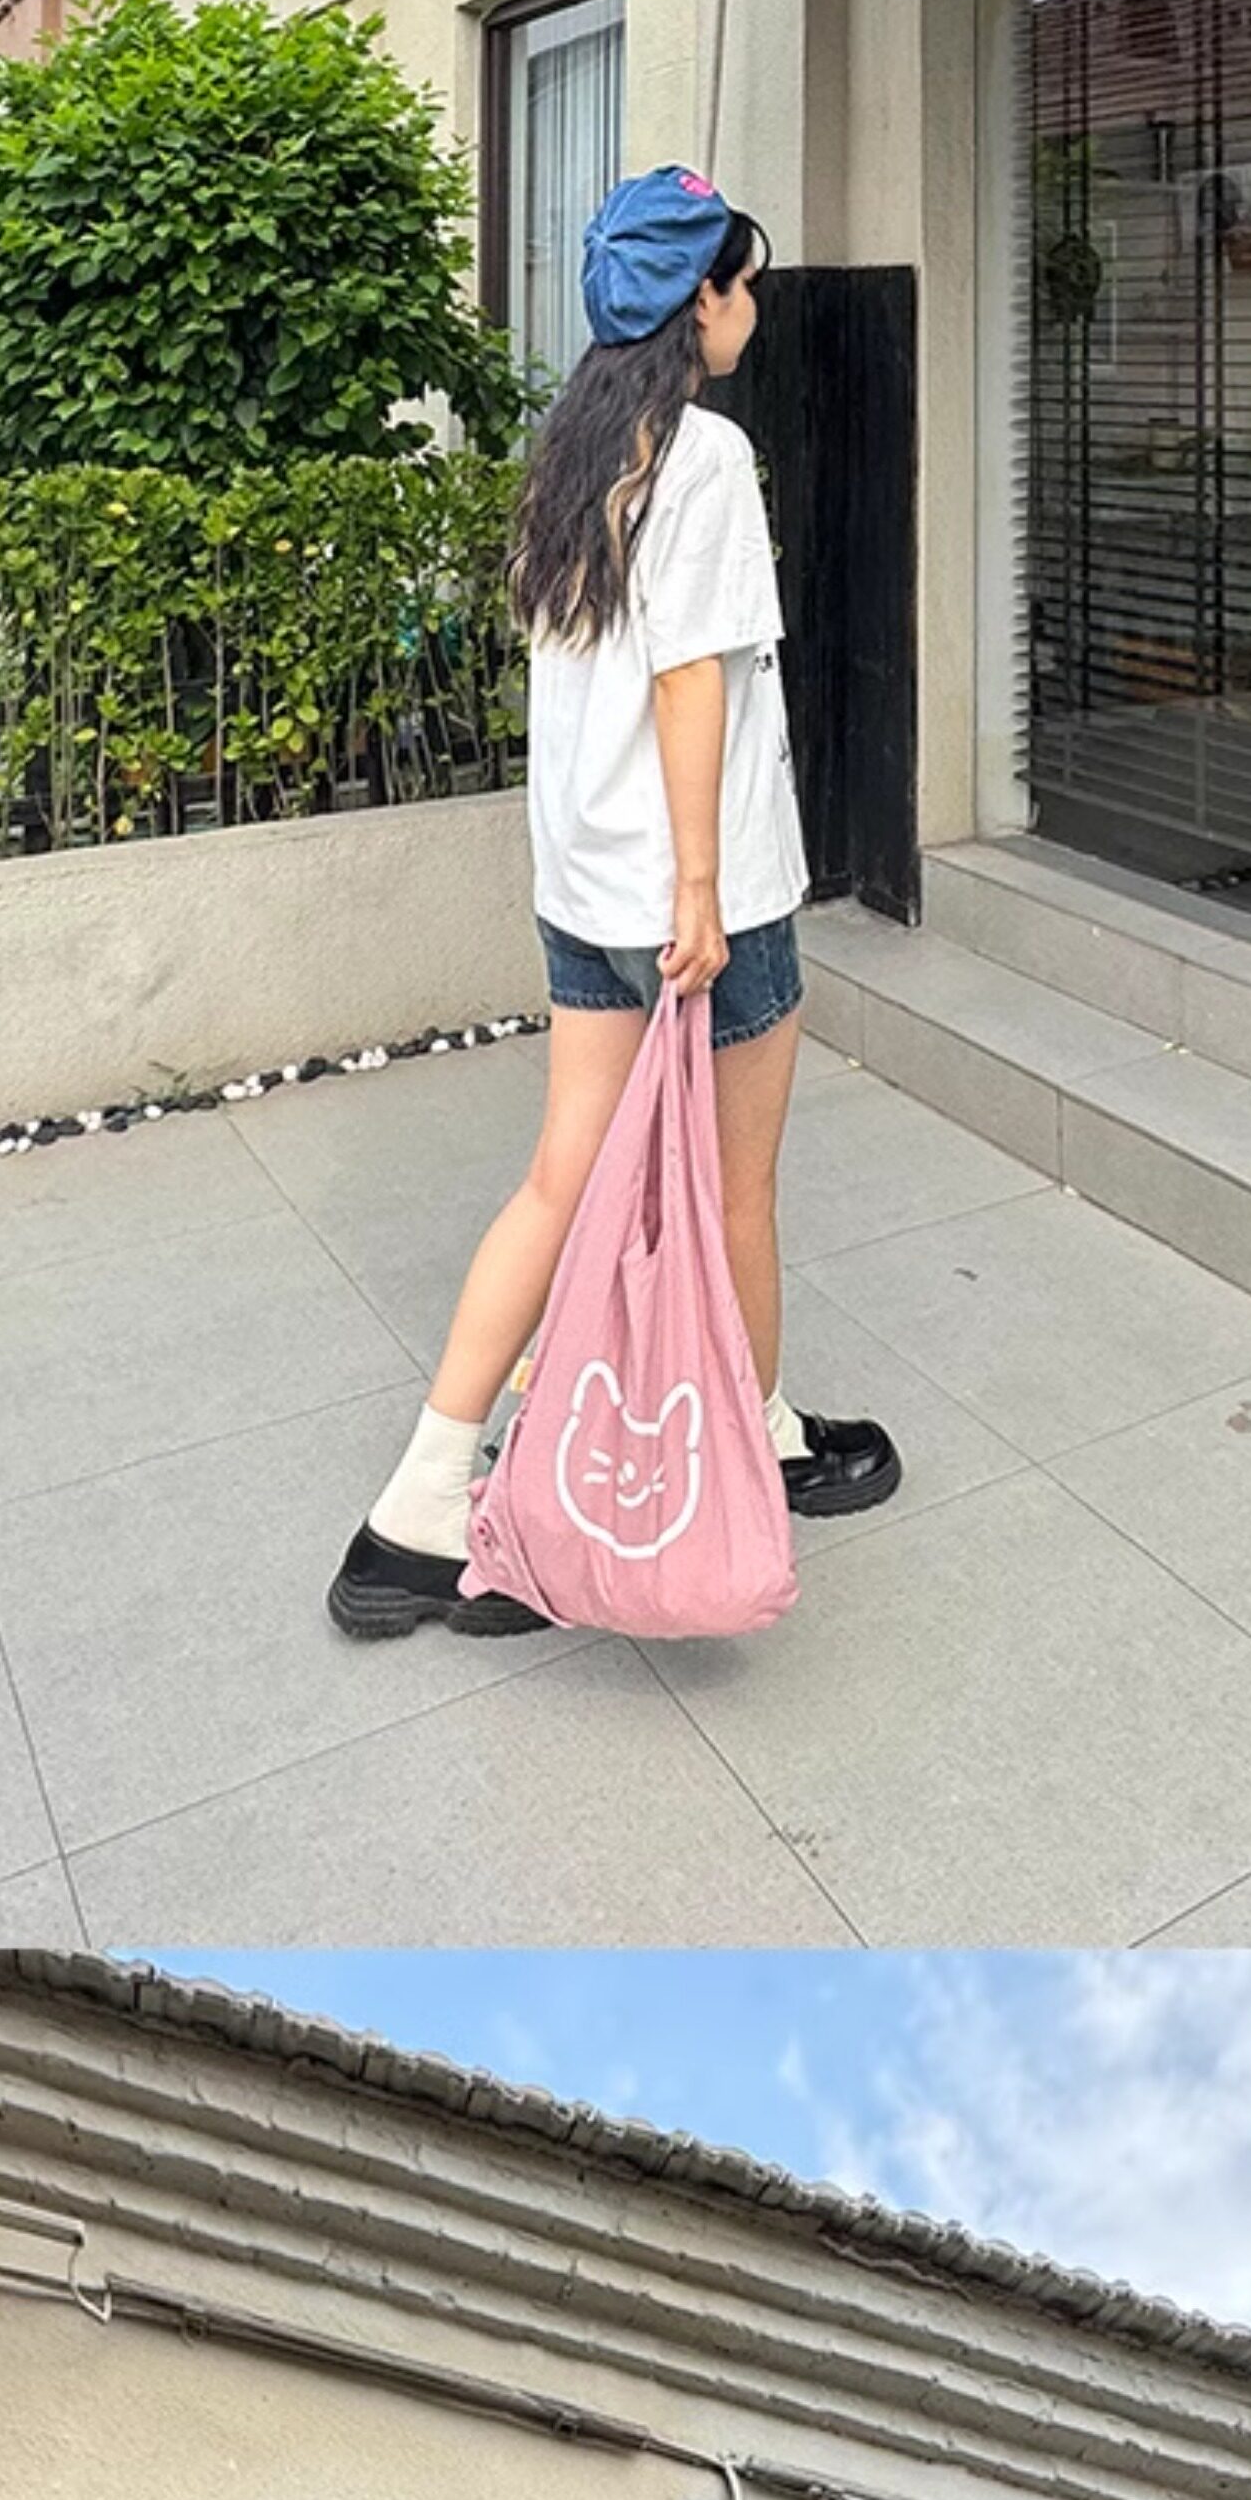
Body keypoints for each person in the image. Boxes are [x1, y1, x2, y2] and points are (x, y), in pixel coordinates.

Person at [330, 165, 901, 1636]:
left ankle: (421, 1501)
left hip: (584, 888)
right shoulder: (703, 456)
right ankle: (749, 1447)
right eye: (742, 281)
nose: (754, 303)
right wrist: (701, 889)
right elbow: (687, 678)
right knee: (735, 1192)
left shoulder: (571, 450)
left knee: (560, 1179)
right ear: (699, 302)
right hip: (701, 899)